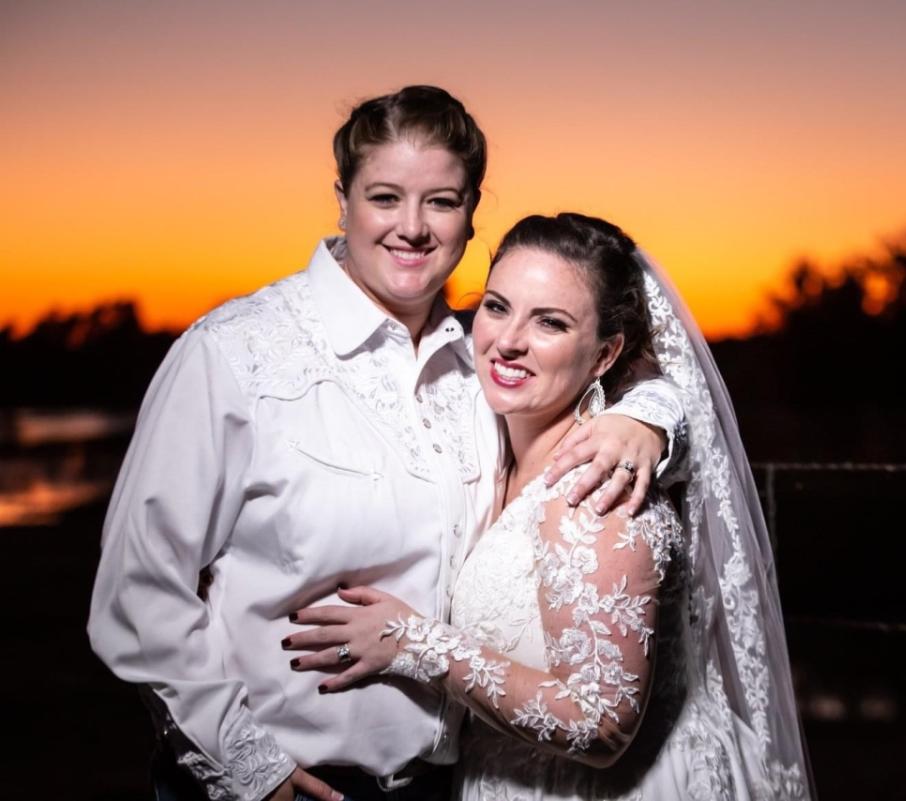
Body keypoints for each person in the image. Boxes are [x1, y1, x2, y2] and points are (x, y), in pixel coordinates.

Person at [87, 87, 686, 801]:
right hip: (280, 785)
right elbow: (138, 590)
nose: (412, 227)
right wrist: (248, 767)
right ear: (341, 200)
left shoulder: (480, 367)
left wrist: (650, 415)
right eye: (384, 197)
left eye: (441, 200)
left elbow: (608, 374)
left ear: (470, 212)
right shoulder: (234, 355)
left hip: (439, 786)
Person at [285, 214, 815, 800]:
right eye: (496, 307)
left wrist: (412, 643)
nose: (508, 340)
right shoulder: (486, 434)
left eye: (550, 323)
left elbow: (602, 722)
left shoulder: (598, 493)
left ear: (604, 354)